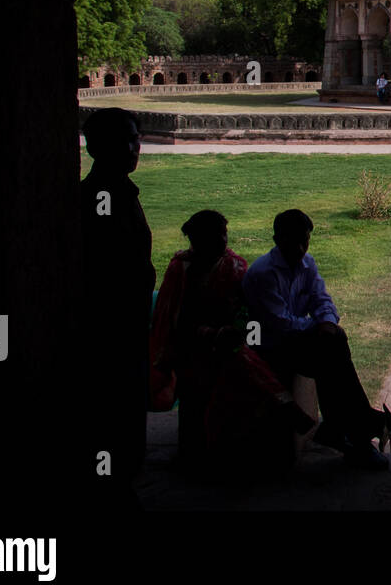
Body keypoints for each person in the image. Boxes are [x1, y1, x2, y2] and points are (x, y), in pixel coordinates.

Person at [149, 210, 314, 470]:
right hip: (191, 344)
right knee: (238, 361)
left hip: (227, 339)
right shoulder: (181, 271)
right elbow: (172, 319)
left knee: (235, 355)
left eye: (224, 234)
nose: (223, 241)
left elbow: (245, 310)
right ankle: (283, 406)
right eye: (215, 237)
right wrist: (210, 334)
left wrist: (232, 330)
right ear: (196, 241)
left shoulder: (233, 267)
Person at [241, 209, 389, 469]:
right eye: (293, 240)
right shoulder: (264, 273)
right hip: (271, 347)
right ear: (277, 239)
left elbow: (321, 298)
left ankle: (345, 431)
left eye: (304, 240)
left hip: (298, 342)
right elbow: (280, 323)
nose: (300, 247)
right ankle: (357, 431)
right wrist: (318, 326)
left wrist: (327, 322)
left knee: (333, 350)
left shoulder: (306, 263)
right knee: (333, 351)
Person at [80, 107, 156, 485]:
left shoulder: (120, 191)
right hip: (109, 328)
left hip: (127, 324)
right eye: (122, 141)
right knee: (112, 415)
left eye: (135, 139)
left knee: (126, 412)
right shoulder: (101, 197)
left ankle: (123, 480)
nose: (132, 148)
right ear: (96, 148)